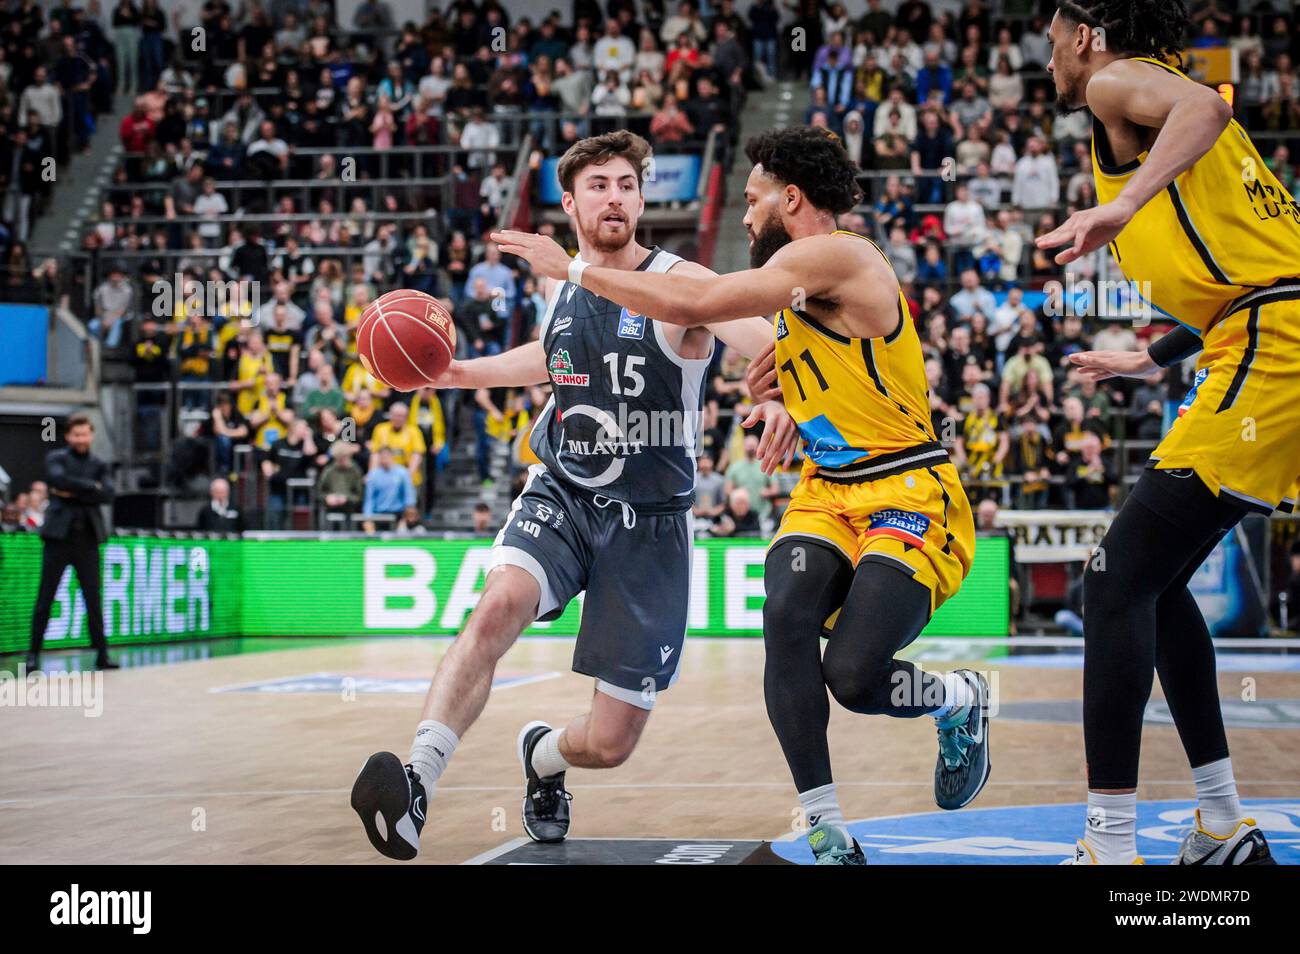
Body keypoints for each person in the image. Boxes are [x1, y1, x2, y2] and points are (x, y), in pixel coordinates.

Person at [496, 125, 986, 866]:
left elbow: (706, 300)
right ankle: (824, 825)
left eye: (753, 199)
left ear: (791, 198)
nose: (746, 214)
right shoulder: (799, 286)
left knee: (854, 677)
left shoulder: (833, 254)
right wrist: (784, 394)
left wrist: (574, 270)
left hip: (908, 486)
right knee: (784, 613)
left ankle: (957, 701)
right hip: (826, 493)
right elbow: (802, 358)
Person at [352, 131, 779, 860]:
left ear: (642, 200)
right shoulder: (563, 287)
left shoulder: (683, 282)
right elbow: (549, 357)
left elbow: (769, 335)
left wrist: (785, 395)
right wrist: (459, 374)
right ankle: (417, 780)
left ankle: (544, 758)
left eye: (626, 185)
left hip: (650, 523)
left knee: (609, 744)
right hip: (564, 492)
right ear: (572, 202)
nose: (615, 196)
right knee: (496, 608)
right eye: (599, 185)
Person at [1037, 0, 1300, 865]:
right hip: (1255, 337)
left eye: (1051, 45)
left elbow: (1210, 105)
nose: (1049, 66)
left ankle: (1110, 846)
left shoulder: (1121, 83)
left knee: (1113, 583)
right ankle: (1222, 824)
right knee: (1157, 582)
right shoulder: (1153, 98)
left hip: (1273, 349)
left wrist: (1122, 206)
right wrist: (1157, 357)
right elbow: (1254, 266)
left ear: (1085, 36)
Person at [27, 413, 118, 672]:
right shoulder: (56, 458)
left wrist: (74, 492)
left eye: (85, 434)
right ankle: (33, 655)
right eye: (76, 434)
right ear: (68, 435)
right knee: (45, 597)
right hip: (58, 538)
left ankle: (102, 654)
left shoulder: (100, 464)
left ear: (91, 435)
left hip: (87, 540)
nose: (80, 439)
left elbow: (108, 494)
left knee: (93, 599)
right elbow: (58, 481)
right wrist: (92, 488)